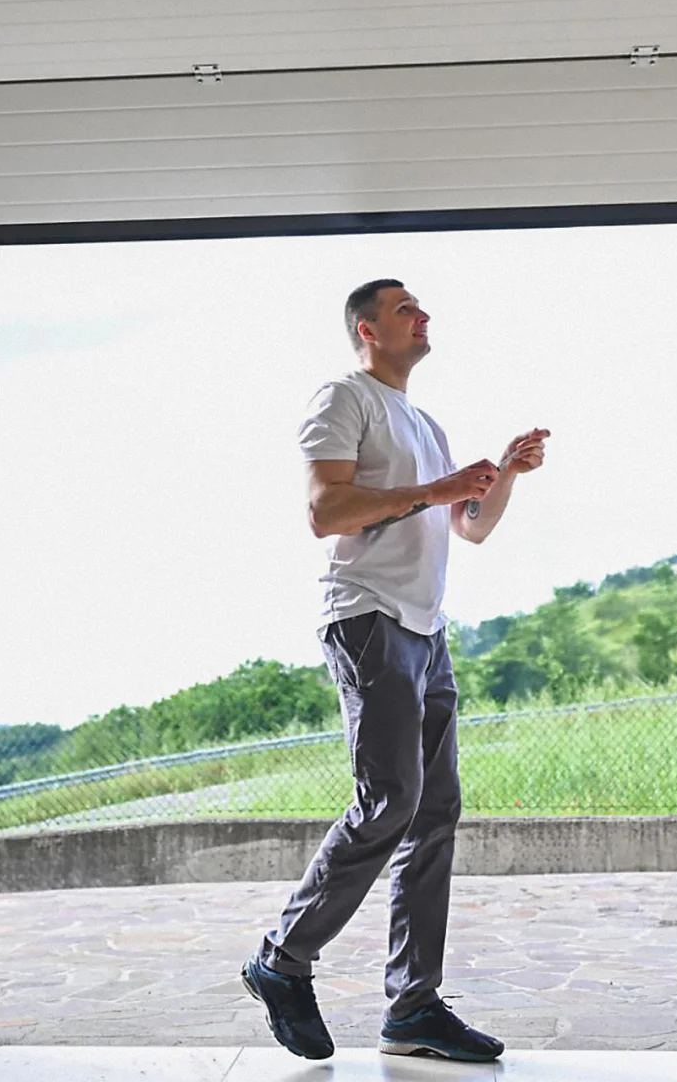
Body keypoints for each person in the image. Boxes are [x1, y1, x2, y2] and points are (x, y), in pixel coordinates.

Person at [241, 279, 549, 1062]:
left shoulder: (426, 421)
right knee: (391, 800)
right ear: (367, 329)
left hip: (427, 630)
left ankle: (413, 1007)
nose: (424, 316)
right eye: (407, 308)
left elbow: (468, 529)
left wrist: (502, 473)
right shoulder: (344, 397)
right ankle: (282, 958)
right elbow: (327, 513)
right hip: (368, 617)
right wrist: (438, 489)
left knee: (434, 810)